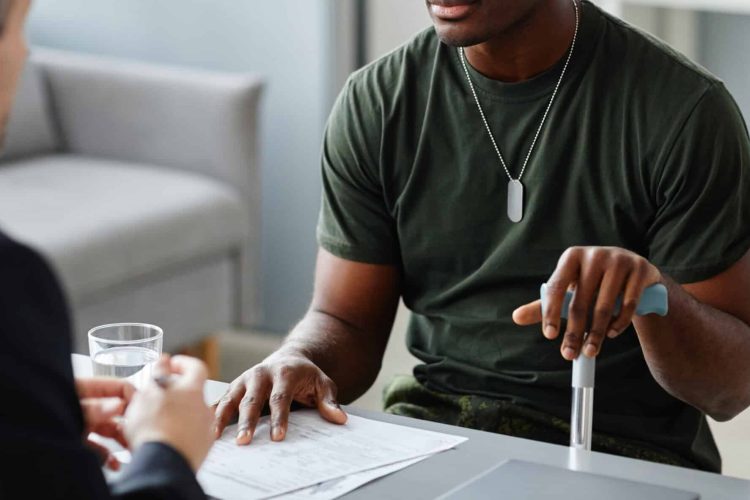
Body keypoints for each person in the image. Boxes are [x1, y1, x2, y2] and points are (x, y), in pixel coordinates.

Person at [214, 0, 750, 473]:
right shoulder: (378, 103)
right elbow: (344, 320)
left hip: (621, 451)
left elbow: (729, 389)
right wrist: (299, 358)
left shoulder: (684, 112)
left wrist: (651, 296)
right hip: (437, 433)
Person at [0, 2, 214, 497]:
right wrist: (168, 451)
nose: (26, 50)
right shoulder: (11, 284)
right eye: (17, 26)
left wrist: (35, 414)